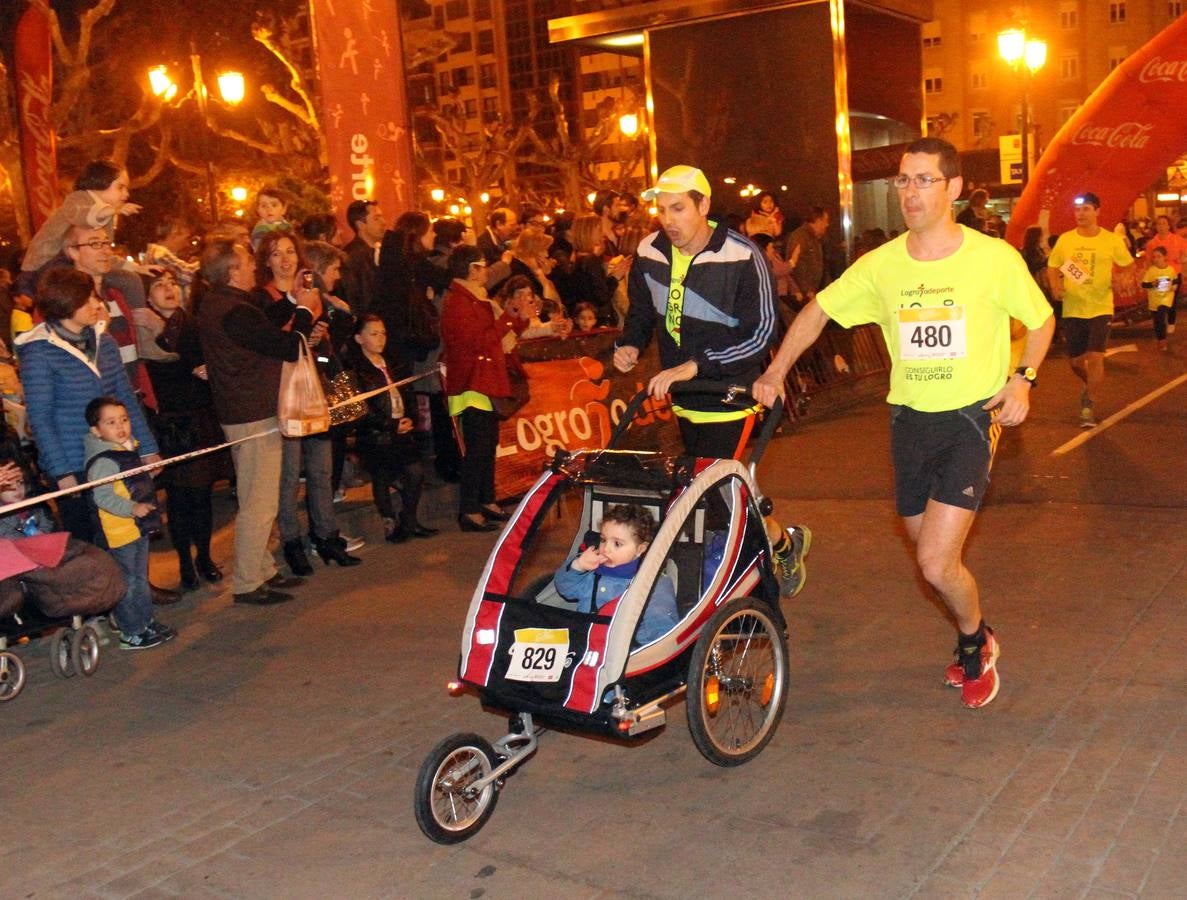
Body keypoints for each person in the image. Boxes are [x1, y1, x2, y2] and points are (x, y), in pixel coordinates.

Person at [752, 137, 1055, 709]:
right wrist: (776, 371)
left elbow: (1040, 321)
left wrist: (1024, 379)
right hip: (909, 424)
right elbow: (816, 311)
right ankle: (981, 629)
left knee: (936, 563)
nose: (910, 192)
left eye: (924, 180)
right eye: (903, 181)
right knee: (933, 562)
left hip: (970, 418)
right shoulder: (883, 265)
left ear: (954, 189)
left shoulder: (994, 259)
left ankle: (973, 647)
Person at [612, 164, 810, 597]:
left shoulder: (742, 254)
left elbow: (761, 334)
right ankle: (781, 541)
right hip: (683, 395)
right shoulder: (649, 251)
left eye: (679, 208)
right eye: (662, 210)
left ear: (703, 206)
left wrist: (697, 365)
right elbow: (643, 312)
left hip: (731, 393)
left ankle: (724, 589)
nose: (668, 219)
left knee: (713, 497)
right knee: (722, 491)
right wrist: (630, 342)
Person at [195, 239, 321, 605]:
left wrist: (292, 305)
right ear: (233, 270)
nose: (254, 265)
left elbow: (263, 330)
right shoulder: (232, 310)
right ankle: (248, 581)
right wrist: (305, 311)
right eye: (248, 260)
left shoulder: (223, 305)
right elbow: (284, 345)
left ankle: (262, 569)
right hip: (250, 411)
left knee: (257, 493)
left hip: (245, 408)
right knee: (259, 500)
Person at [15, 268, 161, 541]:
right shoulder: (39, 351)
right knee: (91, 539)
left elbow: (125, 397)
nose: (98, 305)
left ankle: (133, 583)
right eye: (88, 299)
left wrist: (148, 448)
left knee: (127, 530)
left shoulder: (103, 341)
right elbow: (40, 417)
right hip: (74, 461)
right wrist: (62, 472)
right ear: (65, 303)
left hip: (114, 453)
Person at [253, 232, 362, 574]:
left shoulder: (312, 292)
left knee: (321, 467)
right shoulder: (263, 298)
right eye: (276, 253)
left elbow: (328, 334)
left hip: (316, 386)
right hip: (283, 391)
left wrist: (319, 335)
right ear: (265, 261)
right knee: (288, 474)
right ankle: (291, 540)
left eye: (290, 252)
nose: (285, 259)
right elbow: (274, 342)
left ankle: (326, 535)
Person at [136, 270, 225, 592]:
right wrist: (186, 364)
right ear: (148, 297)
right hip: (170, 424)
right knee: (178, 496)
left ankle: (204, 556)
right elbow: (160, 368)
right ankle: (186, 562)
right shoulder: (144, 329)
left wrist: (205, 368)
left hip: (200, 419)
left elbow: (207, 360)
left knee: (202, 493)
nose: (168, 289)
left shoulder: (193, 324)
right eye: (159, 286)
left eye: (172, 283)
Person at [83, 396, 176, 651]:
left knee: (140, 579)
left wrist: (147, 476)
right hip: (119, 533)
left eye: (124, 419)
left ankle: (145, 622)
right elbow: (103, 496)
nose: (121, 426)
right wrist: (132, 508)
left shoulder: (125, 450)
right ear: (96, 430)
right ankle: (131, 631)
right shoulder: (104, 460)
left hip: (136, 527)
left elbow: (128, 486)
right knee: (128, 582)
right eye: (111, 422)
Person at [440, 245, 513, 532]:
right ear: (471, 269)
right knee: (478, 446)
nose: (486, 270)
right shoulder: (459, 302)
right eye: (482, 265)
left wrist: (512, 321)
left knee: (487, 444)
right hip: (472, 382)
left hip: (483, 380)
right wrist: (505, 320)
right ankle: (469, 508)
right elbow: (478, 341)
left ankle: (486, 499)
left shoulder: (473, 299)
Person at [1047, 192, 1135, 428]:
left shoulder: (1111, 240)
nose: (1081, 214)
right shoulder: (1066, 240)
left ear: (1097, 211)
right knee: (1076, 362)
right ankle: (1089, 384)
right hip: (1073, 308)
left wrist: (1123, 279)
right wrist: (1056, 285)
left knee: (1095, 357)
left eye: (1086, 209)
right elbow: (1053, 265)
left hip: (1101, 307)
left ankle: (1089, 403)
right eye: (1078, 210)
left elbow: (1129, 265)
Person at [347, 315, 437, 543]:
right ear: (359, 338)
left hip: (401, 427)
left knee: (415, 472)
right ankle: (389, 521)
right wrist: (390, 424)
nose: (380, 339)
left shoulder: (392, 362)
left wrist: (410, 418)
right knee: (382, 475)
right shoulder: (355, 369)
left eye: (383, 333)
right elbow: (361, 408)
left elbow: (406, 392)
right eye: (373, 334)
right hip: (376, 434)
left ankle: (409, 519)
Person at [552, 504, 677, 645]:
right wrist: (578, 566)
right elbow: (565, 588)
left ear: (640, 549)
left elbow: (661, 631)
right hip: (582, 642)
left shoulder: (653, 584)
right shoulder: (592, 573)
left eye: (617, 544)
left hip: (622, 651)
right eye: (603, 540)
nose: (606, 549)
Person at [339, 199, 386, 317]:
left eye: (382, 217)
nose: (384, 222)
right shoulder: (352, 256)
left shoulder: (377, 252)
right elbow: (359, 299)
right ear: (360, 225)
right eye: (376, 218)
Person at [787, 207, 830, 306]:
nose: (827, 225)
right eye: (825, 221)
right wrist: (808, 291)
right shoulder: (800, 237)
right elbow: (799, 266)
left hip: (813, 292)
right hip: (804, 296)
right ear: (818, 221)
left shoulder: (816, 239)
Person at [1141, 246, 1180, 351]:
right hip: (1154, 300)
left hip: (1166, 298)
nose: (1156, 259)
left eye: (1159, 256)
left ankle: (1163, 341)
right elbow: (1144, 284)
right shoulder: (1151, 271)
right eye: (1154, 257)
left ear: (1165, 257)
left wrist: (1174, 286)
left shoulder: (1170, 269)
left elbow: (1175, 280)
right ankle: (1160, 338)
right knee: (1157, 321)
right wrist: (1152, 284)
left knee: (1161, 316)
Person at [251, 186, 292, 250]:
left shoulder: (287, 226)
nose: (269, 209)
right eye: (264, 206)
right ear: (258, 210)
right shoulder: (261, 230)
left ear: (284, 209)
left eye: (274, 205)